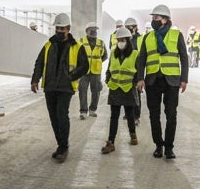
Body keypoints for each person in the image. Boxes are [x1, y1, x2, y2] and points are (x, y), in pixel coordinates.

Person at [31, 13, 89, 162]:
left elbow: (84, 66)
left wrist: (71, 76)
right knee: (53, 117)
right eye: (57, 28)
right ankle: (60, 145)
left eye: (62, 28)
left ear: (68, 29)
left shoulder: (77, 46)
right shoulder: (48, 45)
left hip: (66, 87)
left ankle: (64, 147)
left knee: (62, 115)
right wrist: (35, 80)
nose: (59, 31)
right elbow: (39, 63)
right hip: (50, 86)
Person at [136, 4, 189, 159]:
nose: (154, 20)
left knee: (171, 115)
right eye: (153, 18)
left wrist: (184, 79)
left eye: (156, 18)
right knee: (154, 115)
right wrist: (140, 78)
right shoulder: (148, 37)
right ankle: (158, 145)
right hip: (152, 80)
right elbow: (141, 59)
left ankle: (169, 148)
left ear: (165, 20)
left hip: (172, 80)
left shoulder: (176, 35)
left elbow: (184, 58)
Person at [102, 27, 139, 154]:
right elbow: (109, 70)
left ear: (128, 40)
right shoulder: (113, 53)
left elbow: (138, 72)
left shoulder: (135, 54)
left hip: (128, 88)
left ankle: (133, 135)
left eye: (122, 39)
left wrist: (135, 83)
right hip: (115, 88)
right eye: (118, 40)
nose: (120, 41)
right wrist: (108, 80)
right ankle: (110, 142)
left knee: (129, 115)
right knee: (114, 117)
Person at [78, 22, 108, 119]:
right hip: (83, 72)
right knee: (82, 91)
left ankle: (92, 110)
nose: (94, 31)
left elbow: (104, 56)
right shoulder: (81, 42)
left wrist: (97, 62)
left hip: (96, 72)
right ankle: (83, 111)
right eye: (92, 29)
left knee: (96, 91)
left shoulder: (101, 43)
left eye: (95, 29)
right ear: (87, 31)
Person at [124, 17, 144, 125]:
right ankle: (127, 114)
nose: (128, 29)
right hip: (126, 70)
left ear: (135, 27)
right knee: (125, 92)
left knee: (136, 94)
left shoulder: (141, 39)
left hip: (137, 70)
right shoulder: (125, 38)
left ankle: (136, 116)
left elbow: (142, 56)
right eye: (126, 27)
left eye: (130, 27)